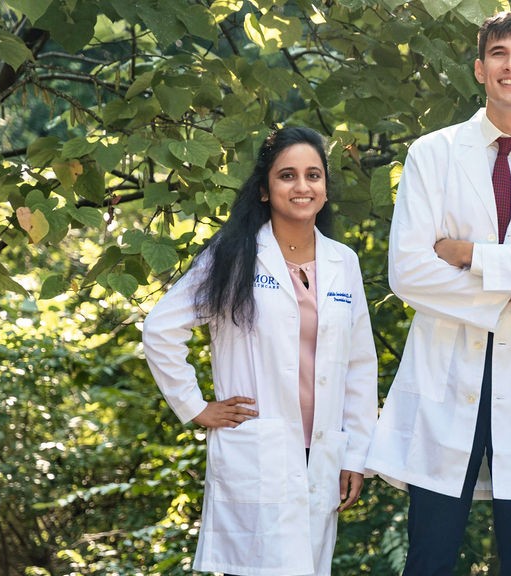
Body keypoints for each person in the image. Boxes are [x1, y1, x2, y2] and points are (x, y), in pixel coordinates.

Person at [365, 10, 511, 575]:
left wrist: (472, 256)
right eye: (499, 54)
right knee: (429, 556)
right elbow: (408, 272)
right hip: (445, 372)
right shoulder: (432, 153)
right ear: (479, 68)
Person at [142, 126, 378, 576]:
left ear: (326, 188)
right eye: (287, 175)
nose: (302, 186)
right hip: (259, 450)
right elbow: (160, 328)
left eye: (313, 175)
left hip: (321, 453)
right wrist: (195, 407)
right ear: (266, 189)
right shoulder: (233, 255)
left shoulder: (342, 261)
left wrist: (356, 455)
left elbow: (360, 366)